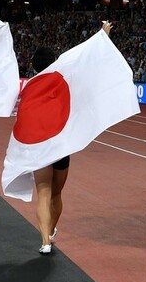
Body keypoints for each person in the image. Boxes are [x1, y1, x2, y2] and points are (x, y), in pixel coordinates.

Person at [32, 21, 113, 255]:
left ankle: (45, 240)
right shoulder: (64, 83)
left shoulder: (30, 88)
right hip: (61, 146)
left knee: (44, 193)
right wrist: (103, 36)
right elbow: (87, 66)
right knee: (56, 194)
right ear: (55, 62)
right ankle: (52, 230)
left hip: (41, 147)